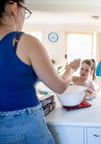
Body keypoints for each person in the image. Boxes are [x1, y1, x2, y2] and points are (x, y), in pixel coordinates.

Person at [0, 0, 80, 143]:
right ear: (13, 7)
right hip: (25, 127)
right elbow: (60, 86)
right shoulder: (23, 42)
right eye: (25, 10)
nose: (24, 16)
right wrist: (71, 69)